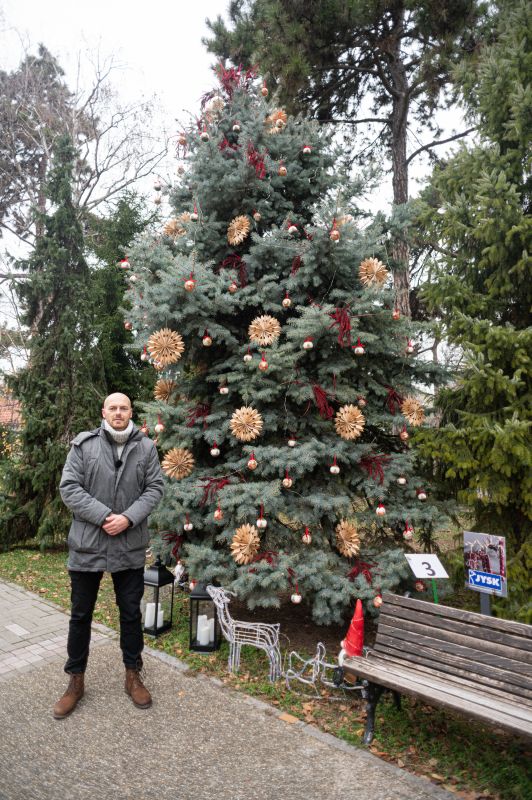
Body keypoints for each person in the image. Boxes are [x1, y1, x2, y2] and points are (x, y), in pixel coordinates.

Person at [53, 393, 164, 720]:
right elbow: (69, 488)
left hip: (129, 545)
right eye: (113, 408)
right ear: (104, 411)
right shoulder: (83, 446)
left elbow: (155, 489)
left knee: (130, 613)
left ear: (131, 412)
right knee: (80, 614)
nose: (118, 412)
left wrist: (128, 518)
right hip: (88, 544)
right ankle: (75, 681)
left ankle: (133, 675)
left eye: (124, 408)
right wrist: (104, 516)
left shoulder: (146, 447)